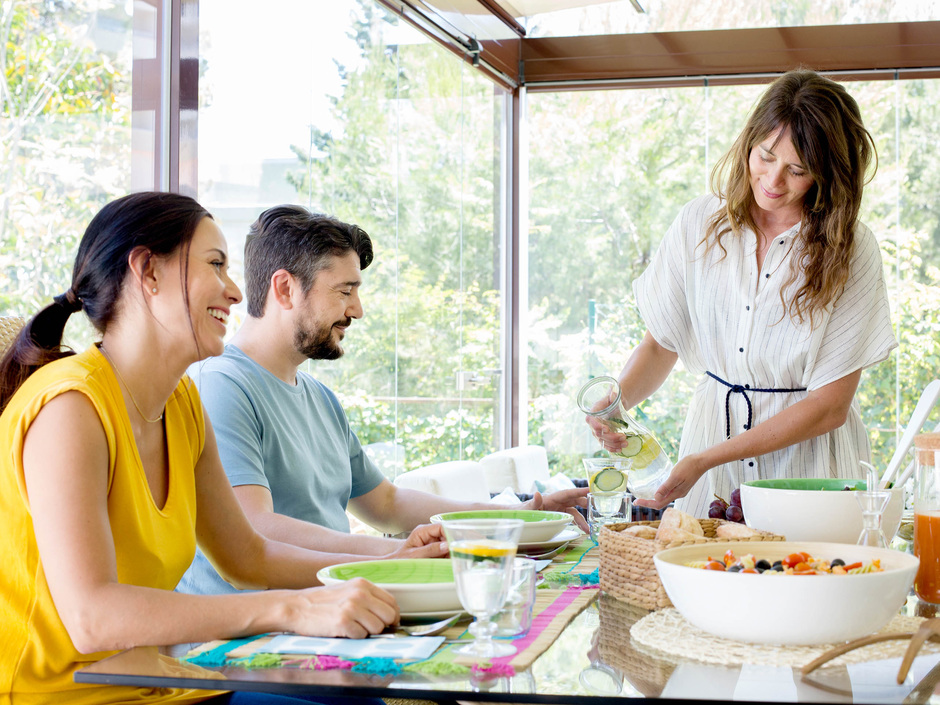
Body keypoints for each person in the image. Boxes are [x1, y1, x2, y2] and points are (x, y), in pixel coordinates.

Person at [0, 192, 399, 705]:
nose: (235, 292)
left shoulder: (183, 402)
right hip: (58, 697)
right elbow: (92, 618)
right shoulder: (70, 407)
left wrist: (393, 567)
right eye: (216, 265)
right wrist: (294, 607)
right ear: (147, 271)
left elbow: (248, 557)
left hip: (160, 687)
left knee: (354, 698)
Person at [178, 205, 588, 597]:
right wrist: (396, 552)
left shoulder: (320, 399)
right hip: (245, 639)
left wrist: (511, 516)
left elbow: (387, 504)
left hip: (328, 612)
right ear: (285, 288)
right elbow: (257, 528)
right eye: (344, 291)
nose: (357, 309)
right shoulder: (221, 385)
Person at [590, 69, 897, 517]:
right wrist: (614, 404)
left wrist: (709, 457)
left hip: (808, 475)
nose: (774, 180)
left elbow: (830, 406)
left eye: (798, 170)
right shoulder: (699, 223)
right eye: (765, 156)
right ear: (748, 141)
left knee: (805, 578)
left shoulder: (851, 247)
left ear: (829, 174)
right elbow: (660, 345)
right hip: (708, 459)